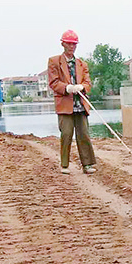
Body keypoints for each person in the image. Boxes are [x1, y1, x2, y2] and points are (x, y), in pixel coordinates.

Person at [48, 30, 96, 174]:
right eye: (69, 43)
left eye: (74, 44)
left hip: (80, 104)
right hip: (65, 105)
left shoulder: (82, 64)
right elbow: (53, 82)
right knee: (67, 134)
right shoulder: (54, 61)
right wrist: (66, 88)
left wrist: (82, 87)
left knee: (84, 134)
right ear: (63, 43)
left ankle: (87, 165)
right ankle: (64, 165)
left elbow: (88, 82)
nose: (71, 47)